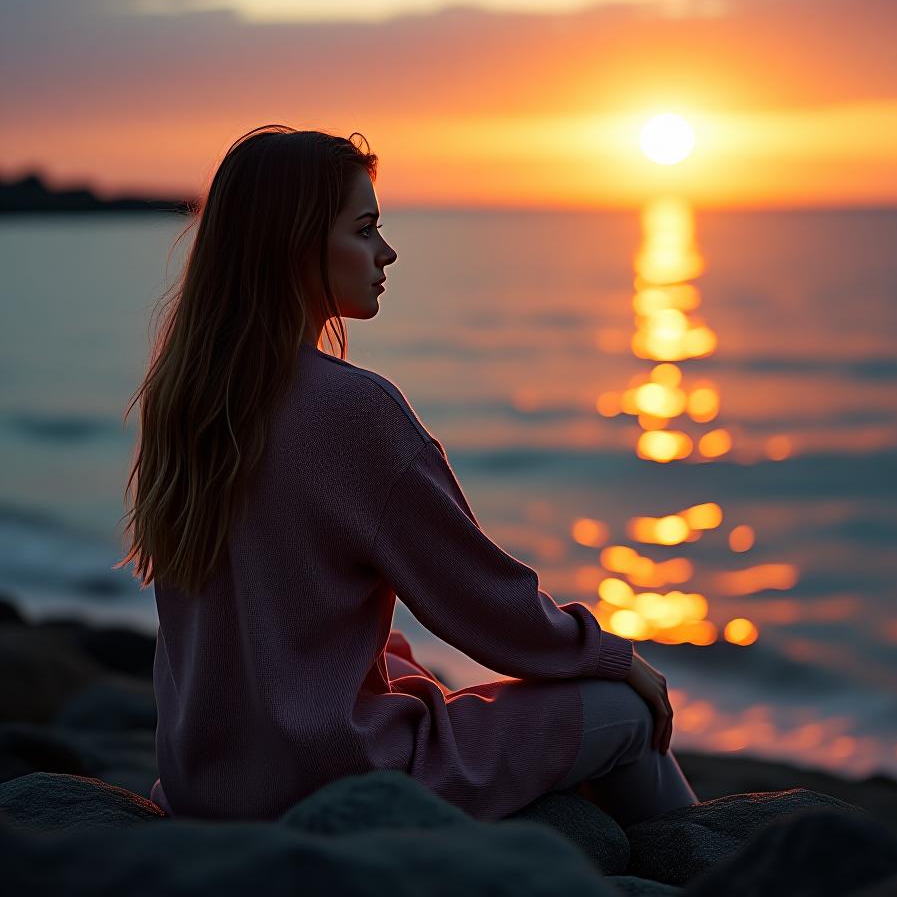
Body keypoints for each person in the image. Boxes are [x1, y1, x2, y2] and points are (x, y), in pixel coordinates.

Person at [117, 124, 698, 826]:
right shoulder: (354, 409)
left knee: (418, 677)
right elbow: (483, 604)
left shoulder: (185, 400)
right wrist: (614, 657)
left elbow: (261, 624)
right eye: (364, 231)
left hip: (205, 783)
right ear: (295, 246)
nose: (386, 253)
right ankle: (698, 867)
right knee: (626, 714)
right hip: (333, 780)